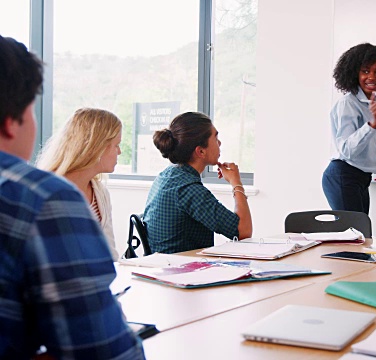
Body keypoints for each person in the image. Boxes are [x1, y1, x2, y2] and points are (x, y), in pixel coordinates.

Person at [0, 35, 144, 358]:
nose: (120, 151)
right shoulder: (44, 200)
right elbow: (104, 351)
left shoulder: (94, 193)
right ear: (12, 122)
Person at [143, 111, 252, 253]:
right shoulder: (188, 189)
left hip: (164, 267)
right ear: (200, 151)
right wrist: (236, 182)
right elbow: (243, 232)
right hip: (182, 270)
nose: (219, 143)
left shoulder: (167, 176)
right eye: (215, 137)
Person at [322, 43, 376, 214]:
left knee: (362, 235)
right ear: (354, 73)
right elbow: (346, 150)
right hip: (343, 175)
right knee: (355, 235)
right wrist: (372, 125)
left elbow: (364, 143)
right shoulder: (348, 103)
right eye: (365, 71)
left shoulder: (371, 101)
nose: (372, 77)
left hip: (360, 177)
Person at [37, 108, 123, 260]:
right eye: (116, 145)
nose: (120, 152)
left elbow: (110, 254)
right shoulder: (46, 191)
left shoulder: (100, 192)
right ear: (97, 147)